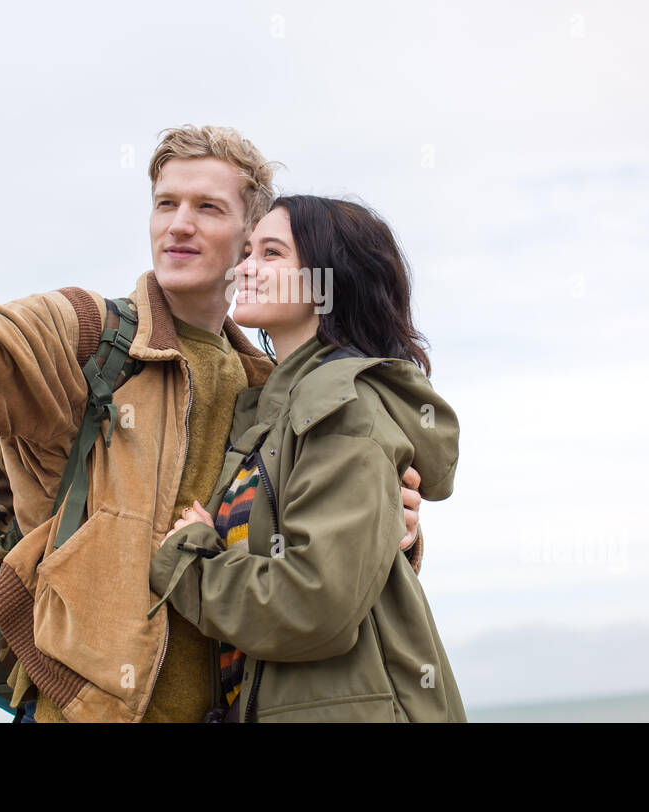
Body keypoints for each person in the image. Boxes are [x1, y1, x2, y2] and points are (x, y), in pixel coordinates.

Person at [0, 99, 428, 721]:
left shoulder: (273, 391)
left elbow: (305, 580)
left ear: (249, 238)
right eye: (165, 204)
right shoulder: (85, 337)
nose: (179, 224)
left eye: (207, 208)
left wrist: (383, 530)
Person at [149, 194, 466, 721]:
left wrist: (187, 562)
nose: (244, 268)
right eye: (246, 252)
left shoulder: (344, 406)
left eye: (271, 254)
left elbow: (315, 605)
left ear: (329, 280)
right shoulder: (277, 410)